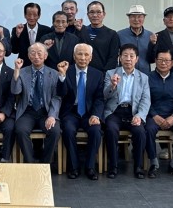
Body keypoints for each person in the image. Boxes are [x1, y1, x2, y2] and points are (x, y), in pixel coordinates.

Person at [57, 43, 104, 180]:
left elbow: (99, 99)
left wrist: (96, 115)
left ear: (91, 57)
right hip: (71, 112)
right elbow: (61, 93)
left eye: (86, 54)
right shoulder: (67, 71)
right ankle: (74, 167)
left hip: (89, 113)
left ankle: (90, 167)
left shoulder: (98, 74)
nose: (83, 58)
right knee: (68, 130)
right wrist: (62, 76)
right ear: (74, 56)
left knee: (96, 130)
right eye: (79, 54)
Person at [103, 44, 151, 179]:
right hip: (115, 111)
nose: (128, 59)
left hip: (133, 112)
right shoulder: (110, 73)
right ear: (120, 58)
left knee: (140, 132)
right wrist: (112, 85)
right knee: (111, 130)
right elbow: (104, 96)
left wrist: (140, 116)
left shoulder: (143, 77)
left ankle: (138, 167)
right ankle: (113, 166)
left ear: (137, 59)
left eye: (131, 56)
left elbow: (146, 100)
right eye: (125, 55)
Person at [11, 43, 61, 165]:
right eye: (33, 53)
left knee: (55, 131)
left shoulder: (54, 74)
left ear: (45, 55)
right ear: (28, 56)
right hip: (27, 111)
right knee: (21, 130)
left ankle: (45, 164)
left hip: (46, 111)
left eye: (39, 53)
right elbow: (15, 91)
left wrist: (52, 116)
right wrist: (16, 71)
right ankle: (30, 163)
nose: (36, 56)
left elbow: (56, 97)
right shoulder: (22, 72)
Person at [146, 49, 173, 178]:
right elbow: (144, 100)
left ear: (172, 63)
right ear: (155, 61)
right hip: (153, 115)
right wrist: (154, 115)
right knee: (148, 129)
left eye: (166, 60)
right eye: (160, 60)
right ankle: (153, 163)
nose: (163, 63)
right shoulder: (147, 78)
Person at [78, 1, 118, 73]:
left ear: (104, 14)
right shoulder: (82, 31)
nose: (95, 15)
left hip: (103, 75)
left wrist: (105, 75)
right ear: (88, 15)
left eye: (98, 12)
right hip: (82, 74)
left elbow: (113, 58)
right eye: (92, 12)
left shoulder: (112, 34)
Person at [117, 5, 153, 74]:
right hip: (124, 75)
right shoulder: (119, 35)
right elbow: (114, 57)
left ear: (144, 18)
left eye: (139, 17)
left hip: (144, 74)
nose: (136, 20)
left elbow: (153, 58)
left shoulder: (150, 36)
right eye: (133, 17)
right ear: (129, 18)